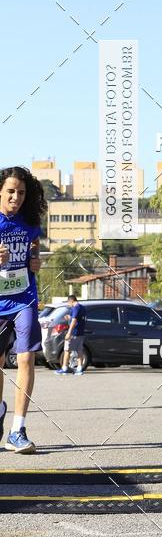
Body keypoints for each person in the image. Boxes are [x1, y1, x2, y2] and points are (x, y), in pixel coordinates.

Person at [0, 166, 46, 454]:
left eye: (21, 192)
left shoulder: (29, 221)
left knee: (26, 359)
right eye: (11, 191)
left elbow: (35, 245)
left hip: (24, 298)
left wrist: (36, 260)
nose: (16, 197)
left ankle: (18, 430)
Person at [55, 295, 86, 376]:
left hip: (73, 333)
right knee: (79, 350)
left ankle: (64, 368)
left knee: (67, 350)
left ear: (71, 301)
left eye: (69, 303)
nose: (69, 305)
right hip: (80, 332)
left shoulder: (75, 308)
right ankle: (79, 369)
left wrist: (69, 332)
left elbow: (74, 320)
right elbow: (77, 318)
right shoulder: (82, 307)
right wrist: (69, 317)